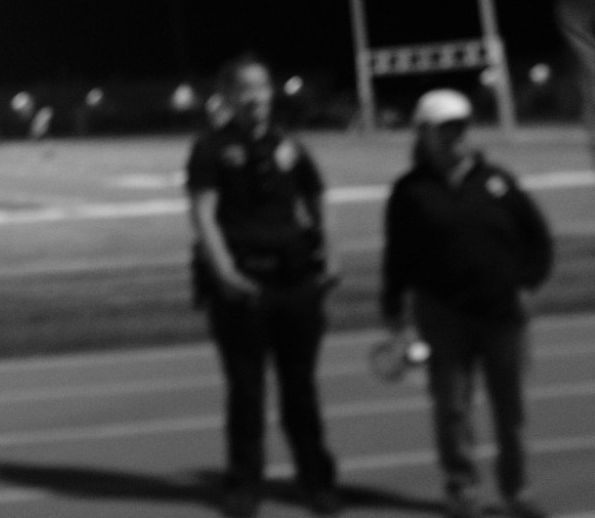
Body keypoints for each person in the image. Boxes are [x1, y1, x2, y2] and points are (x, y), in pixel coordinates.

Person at [381, 90, 554, 518]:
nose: (456, 137)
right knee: (452, 409)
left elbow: (539, 241)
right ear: (424, 134)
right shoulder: (409, 192)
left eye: (461, 127)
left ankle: (516, 492)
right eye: (445, 129)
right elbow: (397, 256)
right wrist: (392, 308)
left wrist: (527, 286)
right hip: (443, 315)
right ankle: (462, 489)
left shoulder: (499, 181)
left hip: (502, 315)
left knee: (510, 410)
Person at [185, 54, 342, 517]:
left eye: (262, 87)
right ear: (229, 97)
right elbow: (203, 214)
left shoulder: (288, 143)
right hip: (243, 285)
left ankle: (316, 481)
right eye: (245, 89)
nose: (256, 97)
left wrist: (330, 251)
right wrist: (224, 270)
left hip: (295, 281)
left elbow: (319, 195)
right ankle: (244, 484)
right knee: (246, 392)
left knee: (301, 391)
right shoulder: (210, 147)